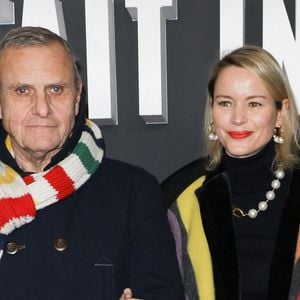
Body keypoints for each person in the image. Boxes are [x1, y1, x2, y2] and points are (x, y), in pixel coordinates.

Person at [0, 26, 184, 300]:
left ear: (76, 98)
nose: (42, 108)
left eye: (56, 89)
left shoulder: (132, 192)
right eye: (23, 90)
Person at [162, 46, 300, 300]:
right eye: (225, 103)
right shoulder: (179, 199)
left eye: (254, 104)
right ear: (212, 111)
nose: (238, 118)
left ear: (281, 113)